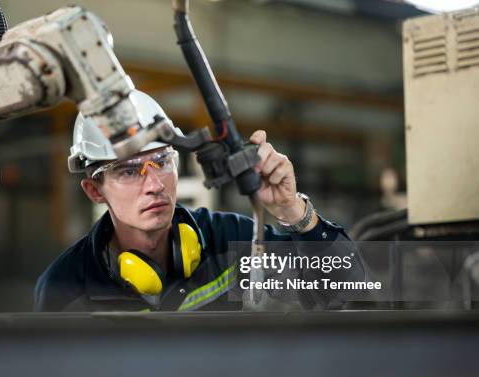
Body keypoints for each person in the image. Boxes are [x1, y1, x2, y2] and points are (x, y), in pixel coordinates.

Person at [34, 90, 363, 312]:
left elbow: (349, 290)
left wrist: (293, 210)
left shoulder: (230, 242)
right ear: (95, 191)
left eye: (161, 161)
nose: (154, 184)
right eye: (129, 171)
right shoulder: (65, 287)